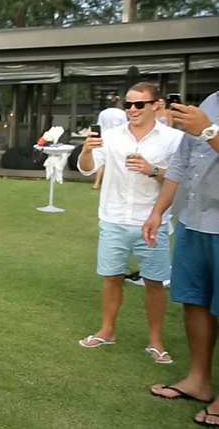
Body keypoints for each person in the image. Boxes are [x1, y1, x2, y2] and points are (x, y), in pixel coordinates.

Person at [76, 82, 183, 364]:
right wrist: (86, 150)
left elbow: (179, 178)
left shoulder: (172, 138)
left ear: (156, 105)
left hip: (151, 220)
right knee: (112, 277)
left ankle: (156, 341)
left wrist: (153, 169)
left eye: (139, 104)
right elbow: (87, 168)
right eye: (128, 104)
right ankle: (107, 330)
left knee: (154, 282)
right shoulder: (111, 137)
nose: (132, 109)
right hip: (113, 217)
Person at [143, 92, 218, 426]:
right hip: (194, 220)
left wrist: (210, 132)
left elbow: (205, 138)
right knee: (195, 301)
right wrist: (158, 211)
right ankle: (199, 380)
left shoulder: (205, 118)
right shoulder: (211, 102)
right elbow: (181, 164)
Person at [93, 94, 129, 189]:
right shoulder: (122, 113)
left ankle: (96, 183)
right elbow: (125, 126)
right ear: (117, 103)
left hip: (104, 138)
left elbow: (99, 126)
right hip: (119, 139)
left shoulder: (103, 113)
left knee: (101, 161)